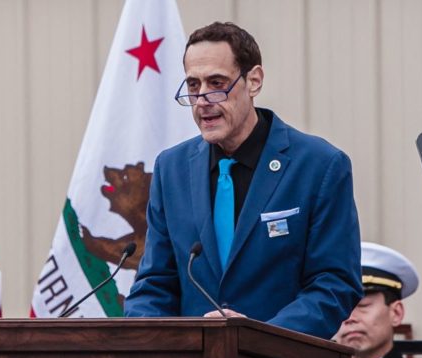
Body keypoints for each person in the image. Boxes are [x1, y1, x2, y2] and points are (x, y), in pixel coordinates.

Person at [123, 21, 361, 338]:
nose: (203, 99)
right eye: (193, 86)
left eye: (217, 82)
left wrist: (256, 338)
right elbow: (154, 283)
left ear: (254, 81)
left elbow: (334, 285)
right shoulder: (171, 168)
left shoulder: (319, 165)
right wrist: (152, 339)